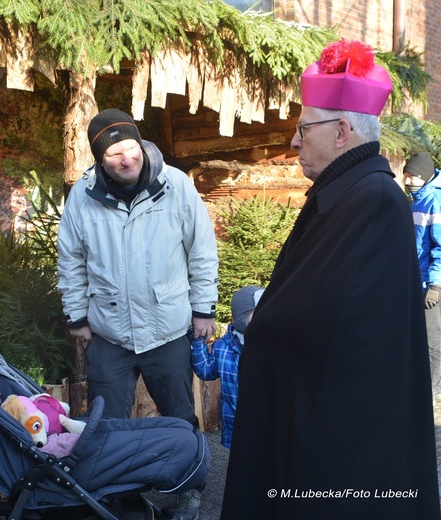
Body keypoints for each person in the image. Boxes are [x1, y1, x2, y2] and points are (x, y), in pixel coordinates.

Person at [221, 39, 441, 519]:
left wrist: (262, 319)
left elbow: (339, 324)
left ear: (342, 130)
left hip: (342, 441)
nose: (295, 141)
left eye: (303, 128)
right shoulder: (348, 193)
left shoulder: (375, 201)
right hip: (322, 419)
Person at [56, 108, 219, 519]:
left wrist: (203, 309)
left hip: (167, 328)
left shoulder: (175, 185)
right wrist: (76, 316)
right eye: (113, 155)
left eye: (130, 149)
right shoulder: (83, 195)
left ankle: (189, 490)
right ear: (99, 158)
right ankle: (120, 499)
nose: (125, 160)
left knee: (180, 417)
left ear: (140, 145)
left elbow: (201, 250)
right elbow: (71, 260)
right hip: (109, 333)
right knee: (105, 425)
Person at [190, 285, 264, 449]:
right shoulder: (223, 346)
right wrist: (198, 341)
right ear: (241, 316)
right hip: (234, 421)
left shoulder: (273, 346)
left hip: (267, 422)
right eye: (259, 312)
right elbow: (206, 371)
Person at [403, 151, 441, 398]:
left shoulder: (434, 202)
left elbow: (440, 247)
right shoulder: (417, 199)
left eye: (413, 177)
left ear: (424, 177)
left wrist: (436, 286)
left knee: (431, 339)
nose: (408, 181)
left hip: (429, 285)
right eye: (406, 175)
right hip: (413, 282)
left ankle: (431, 389)